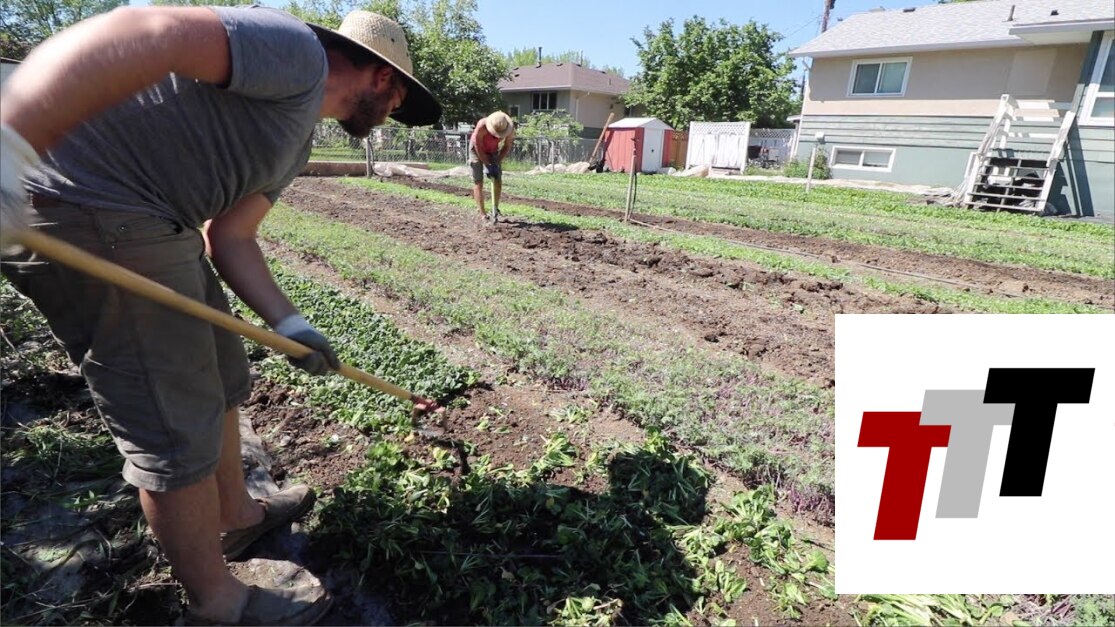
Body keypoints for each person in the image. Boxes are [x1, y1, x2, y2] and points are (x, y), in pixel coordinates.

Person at [0, 6, 440, 626]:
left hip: (160, 224)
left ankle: (237, 516)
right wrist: (9, 148)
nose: (394, 112)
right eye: (398, 99)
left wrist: (291, 325)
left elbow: (231, 237)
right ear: (380, 77)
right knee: (172, 422)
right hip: (89, 210)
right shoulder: (296, 54)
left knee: (224, 372)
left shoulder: (296, 139)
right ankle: (217, 603)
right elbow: (139, 31)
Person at [469, 111, 514, 224]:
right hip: (476, 150)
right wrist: (486, 163)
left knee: (498, 180)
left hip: (493, 150)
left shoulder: (510, 129)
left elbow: (507, 146)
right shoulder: (482, 126)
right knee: (478, 181)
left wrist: (497, 162)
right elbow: (478, 145)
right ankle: (482, 213)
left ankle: (495, 210)